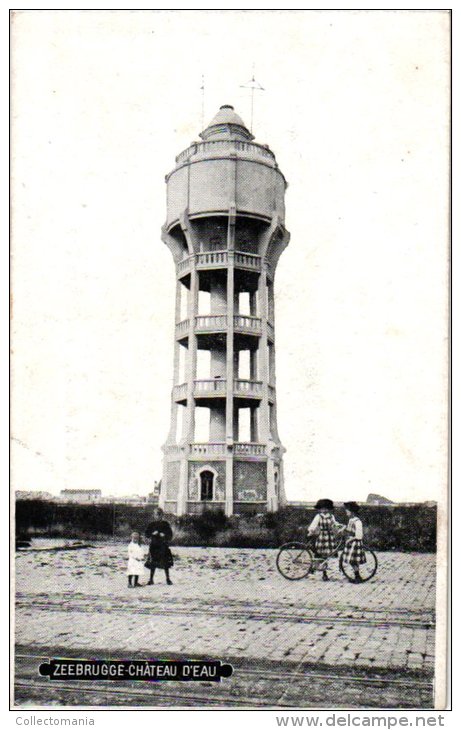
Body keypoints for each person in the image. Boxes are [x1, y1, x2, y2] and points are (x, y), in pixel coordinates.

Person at [307, 498, 340, 581]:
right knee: (319, 554)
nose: (324, 510)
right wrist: (311, 531)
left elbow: (334, 524)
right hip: (321, 536)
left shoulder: (331, 516)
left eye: (326, 508)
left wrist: (339, 526)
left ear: (329, 509)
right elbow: (313, 525)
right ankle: (312, 570)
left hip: (329, 537)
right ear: (320, 509)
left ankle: (324, 574)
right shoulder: (318, 516)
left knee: (326, 556)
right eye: (322, 508)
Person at [145, 507, 174, 585]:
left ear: (162, 515)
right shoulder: (151, 524)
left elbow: (170, 535)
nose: (157, 516)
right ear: (154, 515)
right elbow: (146, 534)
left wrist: (164, 535)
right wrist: (152, 534)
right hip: (154, 546)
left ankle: (168, 579)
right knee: (153, 563)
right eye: (156, 514)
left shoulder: (165, 524)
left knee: (165, 563)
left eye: (159, 514)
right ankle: (151, 579)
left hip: (163, 546)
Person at [342, 501, 367, 583]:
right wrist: (343, 528)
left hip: (355, 543)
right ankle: (357, 575)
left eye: (347, 510)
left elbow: (359, 535)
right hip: (351, 543)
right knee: (352, 561)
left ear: (352, 511)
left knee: (353, 561)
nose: (346, 512)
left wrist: (350, 539)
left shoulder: (357, 521)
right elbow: (350, 530)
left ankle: (357, 576)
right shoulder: (351, 520)